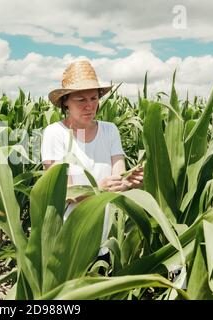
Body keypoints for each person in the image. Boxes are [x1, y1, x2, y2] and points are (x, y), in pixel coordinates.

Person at [41, 59, 144, 260]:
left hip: (103, 240)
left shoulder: (109, 130)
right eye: (81, 100)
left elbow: (118, 175)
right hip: (67, 241)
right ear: (65, 102)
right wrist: (99, 189)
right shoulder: (55, 134)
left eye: (94, 98)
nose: (90, 106)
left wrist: (128, 182)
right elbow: (61, 192)